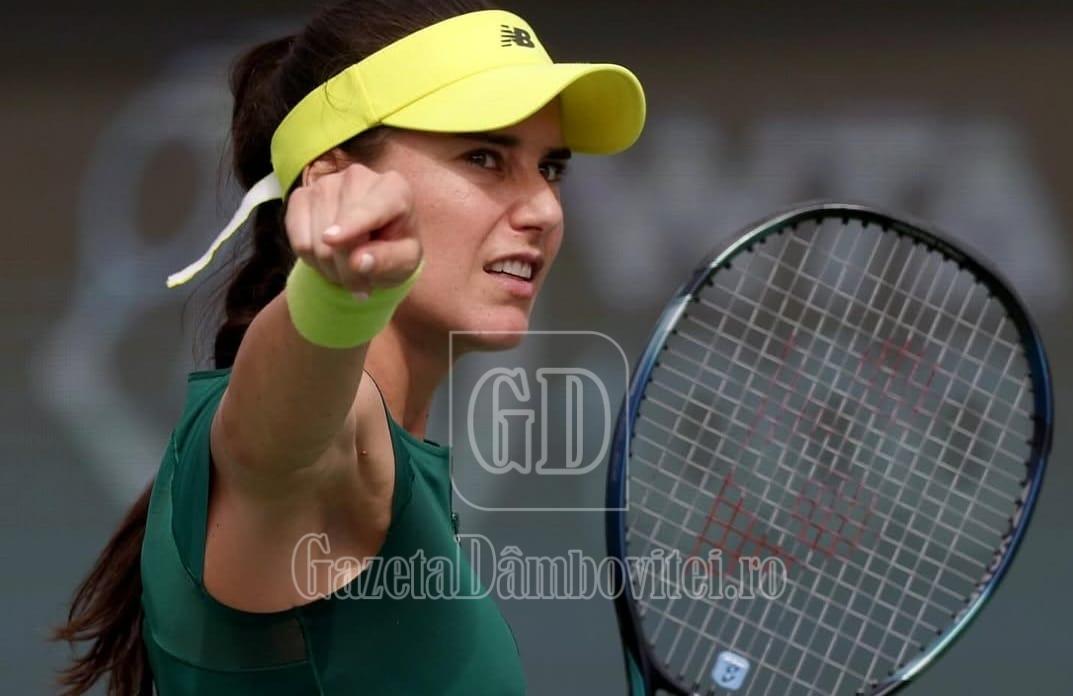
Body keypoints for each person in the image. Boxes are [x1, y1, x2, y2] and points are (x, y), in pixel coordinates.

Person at [54, 1, 645, 693]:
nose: (544, 208)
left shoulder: (395, 470)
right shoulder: (330, 443)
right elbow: (286, 436)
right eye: (484, 157)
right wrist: (335, 296)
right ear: (332, 180)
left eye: (551, 168)